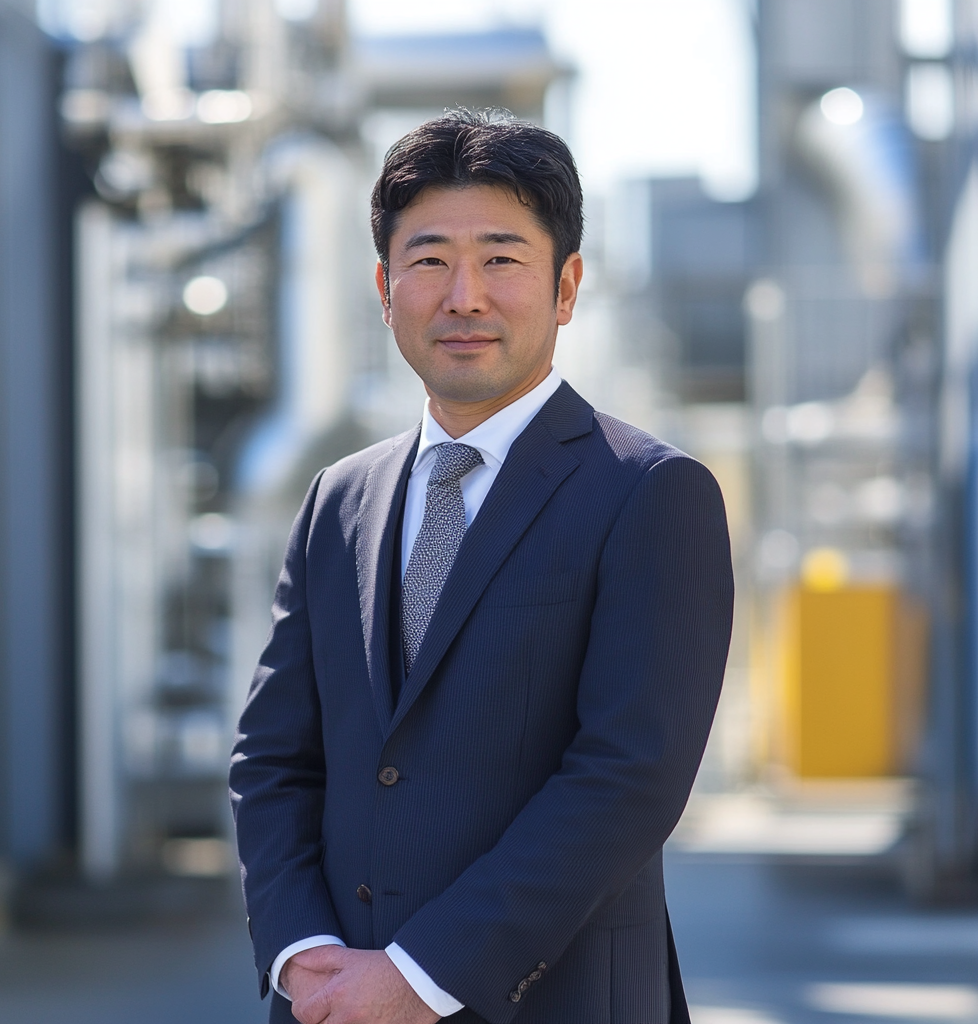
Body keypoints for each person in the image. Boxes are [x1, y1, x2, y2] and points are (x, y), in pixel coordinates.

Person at [230, 109, 734, 1024]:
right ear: (385, 289)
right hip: (331, 1005)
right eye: (428, 261)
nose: (463, 295)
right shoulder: (338, 499)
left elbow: (629, 776)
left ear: (567, 285)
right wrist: (300, 954)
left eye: (502, 258)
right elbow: (274, 760)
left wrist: (422, 976)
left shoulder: (650, 492)